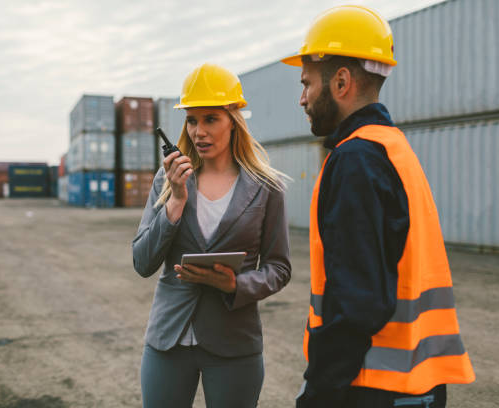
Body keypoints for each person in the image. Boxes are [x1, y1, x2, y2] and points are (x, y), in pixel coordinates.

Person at [280, 5, 475, 408]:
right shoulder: (393, 147)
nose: (302, 99)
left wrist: (317, 393)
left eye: (307, 84)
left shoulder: (356, 160)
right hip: (416, 385)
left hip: (371, 387)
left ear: (341, 81)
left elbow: (357, 303)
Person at [132, 62, 291, 408]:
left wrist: (235, 286)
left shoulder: (267, 188)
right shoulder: (168, 181)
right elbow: (142, 262)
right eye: (191, 120)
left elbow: (279, 268)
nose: (198, 132)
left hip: (234, 343)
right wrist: (175, 200)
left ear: (234, 120)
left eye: (210, 119)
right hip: (168, 341)